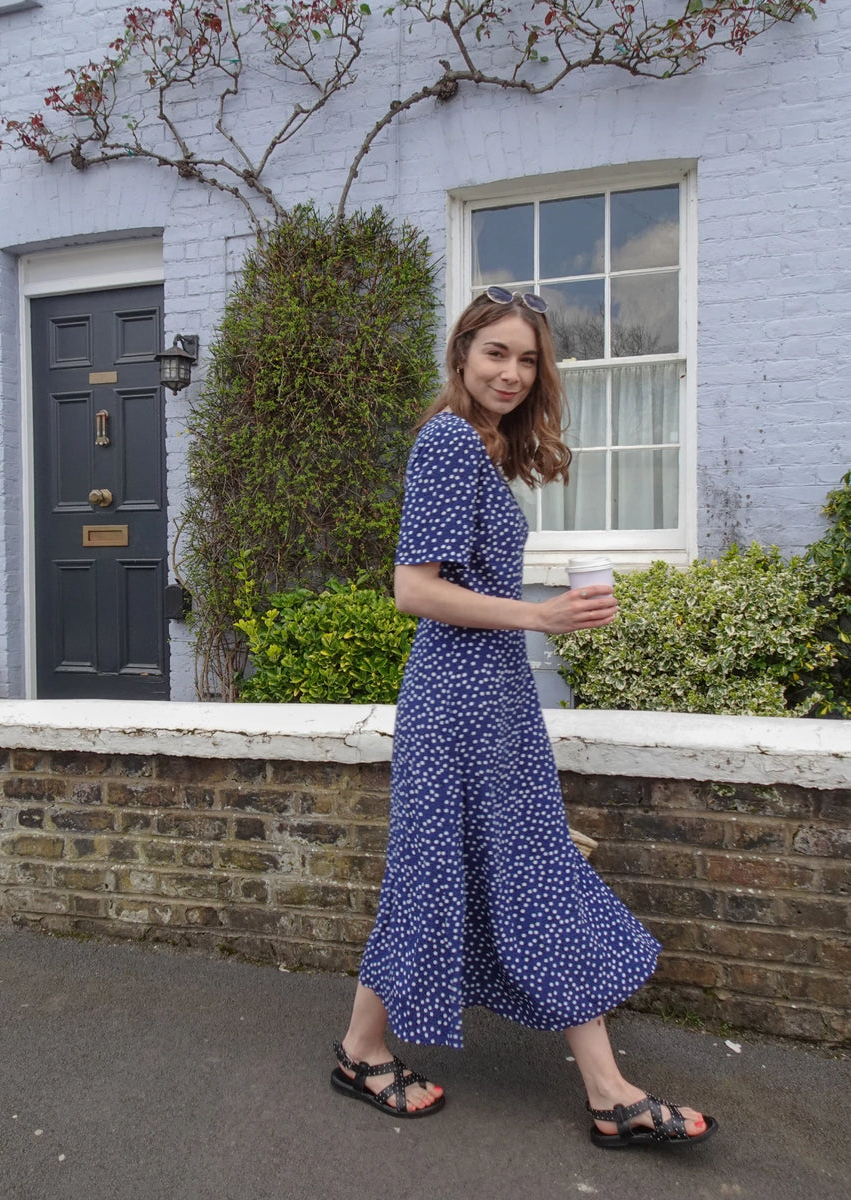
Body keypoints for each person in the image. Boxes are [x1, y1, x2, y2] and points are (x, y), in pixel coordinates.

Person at [330, 288, 718, 1150]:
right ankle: (607, 1093)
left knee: (471, 871)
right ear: (462, 354)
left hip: (491, 695)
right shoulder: (444, 444)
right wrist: (541, 616)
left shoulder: (483, 447)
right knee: (507, 870)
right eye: (495, 353)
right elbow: (414, 589)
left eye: (528, 358)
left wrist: (539, 619)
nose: (511, 372)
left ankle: (365, 1050)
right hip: (459, 700)